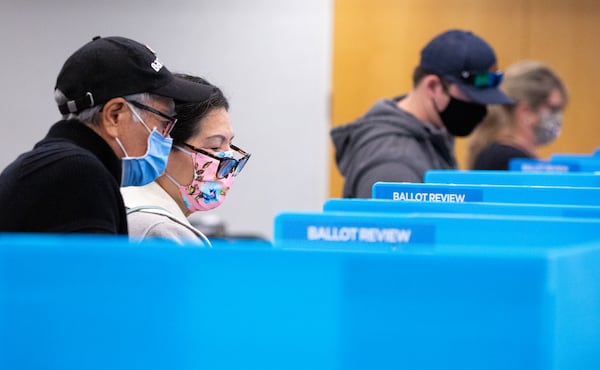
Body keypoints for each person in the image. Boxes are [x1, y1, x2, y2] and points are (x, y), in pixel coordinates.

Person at [0, 36, 213, 234]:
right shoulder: (79, 176)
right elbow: (94, 274)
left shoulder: (54, 165)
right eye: (163, 122)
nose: (165, 137)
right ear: (115, 115)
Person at [330, 29, 512, 198]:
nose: (480, 109)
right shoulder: (393, 164)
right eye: (471, 98)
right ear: (433, 86)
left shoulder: (433, 137)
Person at [121, 74, 250, 246]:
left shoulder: (129, 206)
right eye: (214, 146)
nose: (229, 161)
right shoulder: (158, 231)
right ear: (161, 146)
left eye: (229, 144)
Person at [467, 60, 568, 170]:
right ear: (526, 111)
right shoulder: (506, 160)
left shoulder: (498, 154)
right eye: (553, 109)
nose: (558, 117)